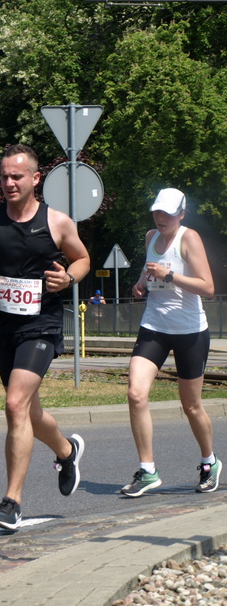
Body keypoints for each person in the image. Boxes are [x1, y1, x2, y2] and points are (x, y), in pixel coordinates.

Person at [0, 144, 90, 531]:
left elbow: (81, 258)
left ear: (35, 179)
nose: (9, 183)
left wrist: (68, 277)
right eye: (3, 176)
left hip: (42, 326)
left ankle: (12, 502)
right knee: (29, 412)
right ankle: (67, 451)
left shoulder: (57, 222)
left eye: (17, 176)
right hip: (4, 328)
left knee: (15, 405)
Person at [121, 188, 219, 497]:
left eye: (167, 213)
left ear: (182, 214)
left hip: (190, 331)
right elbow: (150, 266)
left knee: (191, 405)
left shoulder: (189, 239)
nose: (160, 218)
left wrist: (170, 275)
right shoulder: (152, 236)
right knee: (136, 394)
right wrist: (140, 282)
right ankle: (148, 471)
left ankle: (209, 461)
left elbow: (208, 287)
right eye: (157, 212)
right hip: (154, 327)